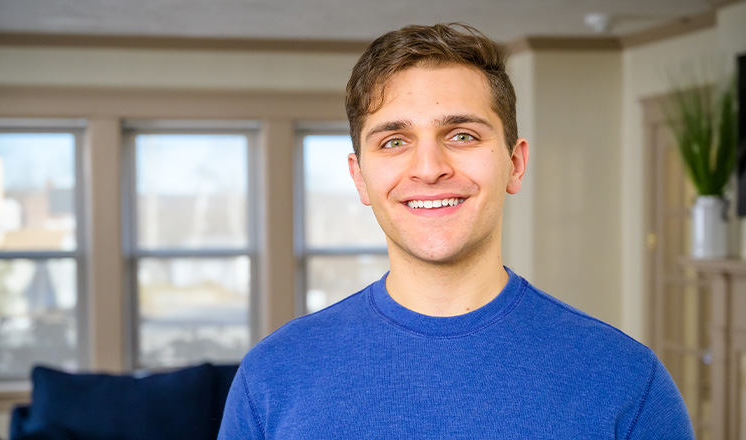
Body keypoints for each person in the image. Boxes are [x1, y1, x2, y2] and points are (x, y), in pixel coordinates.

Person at [218, 23, 694, 439]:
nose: (428, 169)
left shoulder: (627, 380)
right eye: (394, 140)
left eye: (462, 135)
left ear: (515, 162)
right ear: (360, 177)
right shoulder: (273, 375)